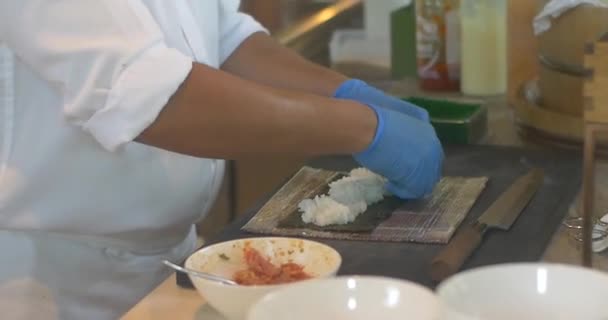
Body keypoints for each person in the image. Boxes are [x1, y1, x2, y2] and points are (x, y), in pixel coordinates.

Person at [0, 1, 443, 319]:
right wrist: (360, 126)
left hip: (173, 261)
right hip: (53, 283)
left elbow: (225, 36)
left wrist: (344, 92)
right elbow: (148, 97)